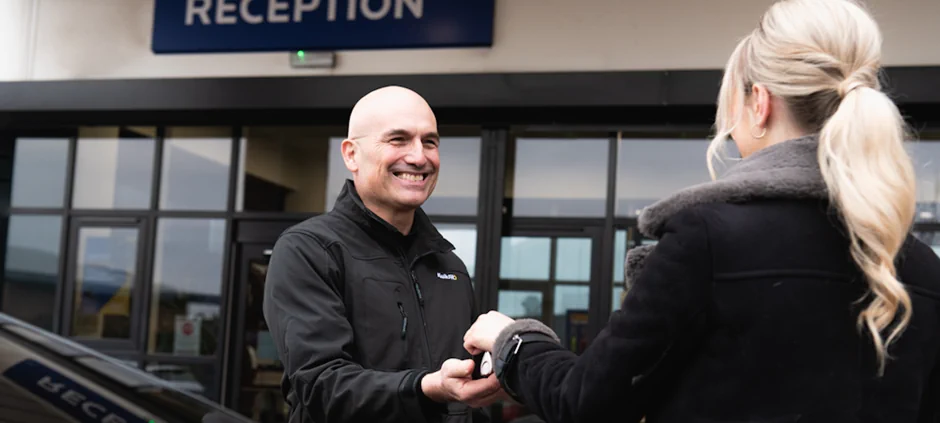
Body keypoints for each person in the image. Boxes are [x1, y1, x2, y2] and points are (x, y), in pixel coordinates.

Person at [461, 0, 940, 422]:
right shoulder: (918, 265)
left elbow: (586, 401)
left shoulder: (709, 240)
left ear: (759, 102)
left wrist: (514, 340)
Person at [263, 85, 501, 423]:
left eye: (429, 141)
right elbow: (319, 385)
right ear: (351, 155)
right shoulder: (309, 250)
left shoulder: (449, 266)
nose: (419, 157)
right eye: (398, 140)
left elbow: (464, 397)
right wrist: (426, 387)